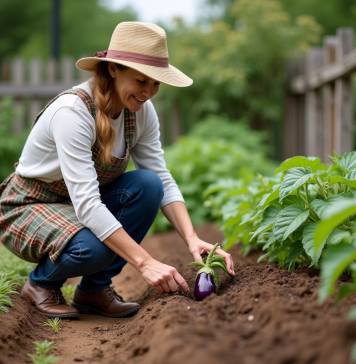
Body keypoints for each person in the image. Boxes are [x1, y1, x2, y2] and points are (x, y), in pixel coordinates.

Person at [0, 22, 235, 319]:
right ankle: (40, 284)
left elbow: (160, 177)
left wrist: (191, 238)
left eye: (155, 83)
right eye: (141, 80)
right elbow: (87, 205)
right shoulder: (72, 113)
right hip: (29, 206)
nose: (149, 92)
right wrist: (145, 262)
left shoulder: (140, 112)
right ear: (113, 69)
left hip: (74, 207)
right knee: (91, 248)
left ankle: (94, 290)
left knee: (148, 185)